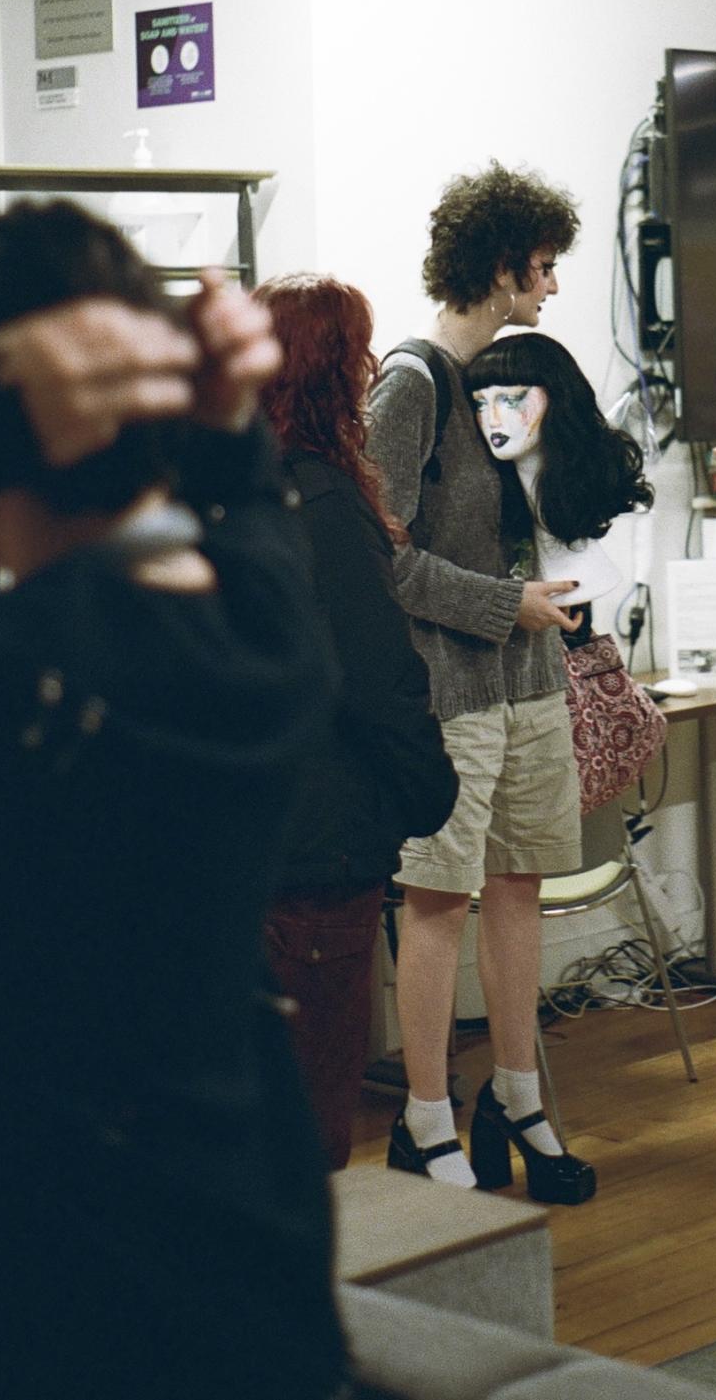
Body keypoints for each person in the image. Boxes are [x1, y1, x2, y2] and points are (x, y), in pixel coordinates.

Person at [0, 201, 358, 1400]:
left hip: (41, 1279)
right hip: (245, 1237)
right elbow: (243, 517)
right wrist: (214, 428)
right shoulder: (261, 634)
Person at [364, 162, 596, 1204]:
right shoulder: (409, 384)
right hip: (452, 691)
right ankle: (423, 1120)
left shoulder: (520, 379)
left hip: (531, 681)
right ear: (500, 267)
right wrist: (511, 606)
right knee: (439, 902)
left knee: (517, 894)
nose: (549, 286)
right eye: (541, 268)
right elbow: (384, 559)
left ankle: (517, 1097)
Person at [255, 273, 458, 1170]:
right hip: (318, 845)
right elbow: (378, 681)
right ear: (340, 373)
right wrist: (428, 789)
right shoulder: (327, 507)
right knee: (309, 1123)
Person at [464, 328, 654, 647]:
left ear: (557, 397)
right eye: (481, 403)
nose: (492, 418)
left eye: (510, 399)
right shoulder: (488, 498)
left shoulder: (569, 494)